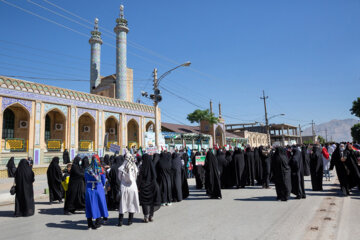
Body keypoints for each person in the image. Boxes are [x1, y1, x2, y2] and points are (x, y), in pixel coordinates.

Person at [85, 155, 109, 230]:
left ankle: (89, 224)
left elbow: (85, 180)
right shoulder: (100, 170)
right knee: (98, 205)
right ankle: (97, 223)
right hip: (98, 189)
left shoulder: (87, 169)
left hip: (89, 189)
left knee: (89, 205)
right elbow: (103, 181)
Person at [117, 152, 141, 226]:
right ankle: (130, 221)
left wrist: (124, 181)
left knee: (122, 204)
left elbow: (119, 178)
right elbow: (136, 177)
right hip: (132, 187)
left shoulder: (121, 168)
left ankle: (120, 221)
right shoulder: (134, 167)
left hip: (124, 187)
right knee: (132, 203)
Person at [137, 154, 161, 223]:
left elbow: (140, 178)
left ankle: (146, 216)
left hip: (144, 187)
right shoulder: (152, 166)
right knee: (151, 202)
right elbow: (155, 176)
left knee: (145, 202)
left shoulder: (142, 167)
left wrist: (138, 187)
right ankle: (151, 216)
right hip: (152, 186)